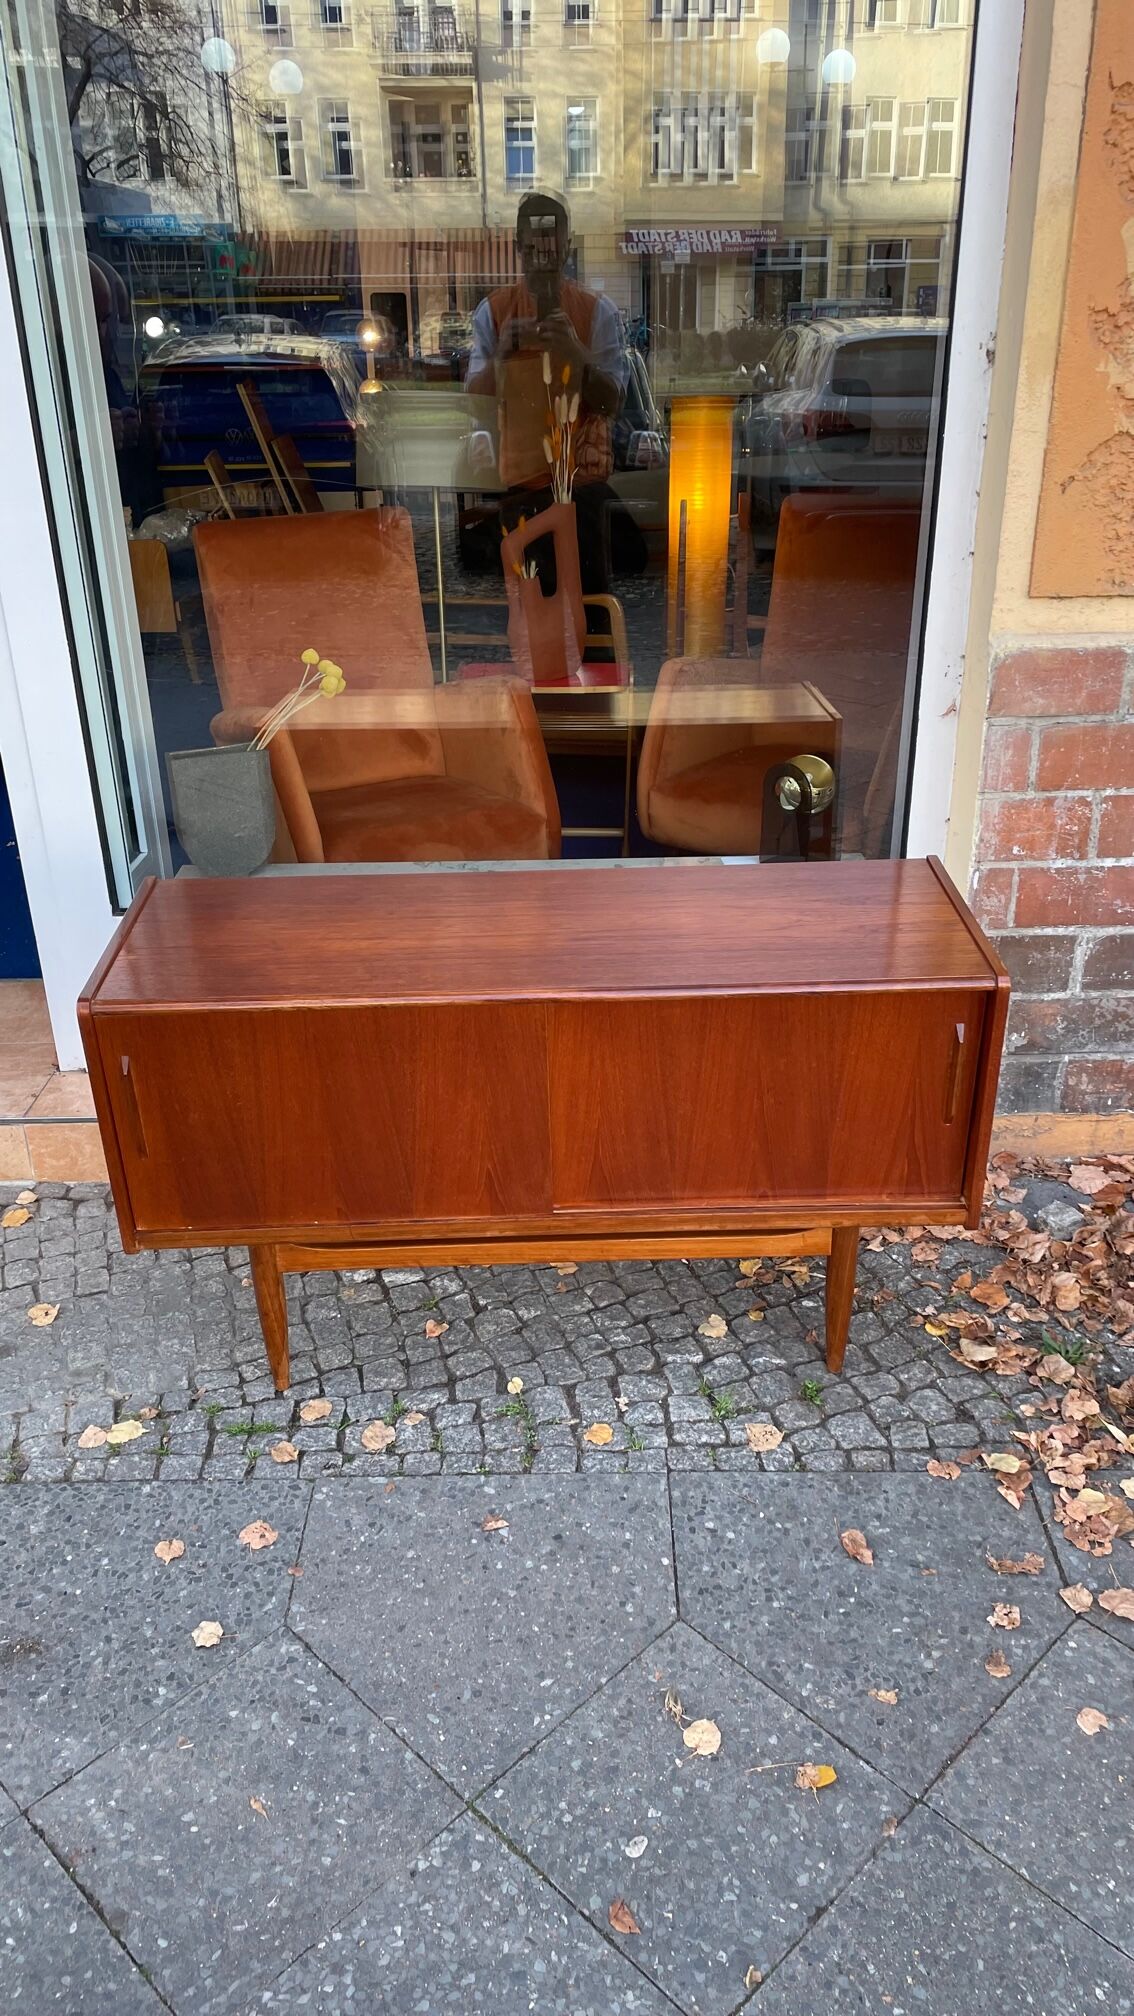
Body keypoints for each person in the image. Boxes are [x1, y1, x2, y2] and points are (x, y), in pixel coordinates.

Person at [466, 192, 630, 593]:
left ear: (567, 249)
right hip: (521, 489)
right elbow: (474, 405)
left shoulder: (597, 312)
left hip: (583, 493)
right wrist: (503, 357)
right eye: (534, 248)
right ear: (518, 248)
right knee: (531, 602)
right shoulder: (494, 312)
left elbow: (615, 404)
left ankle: (589, 649)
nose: (543, 258)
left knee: (583, 601)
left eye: (551, 248)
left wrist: (577, 356)